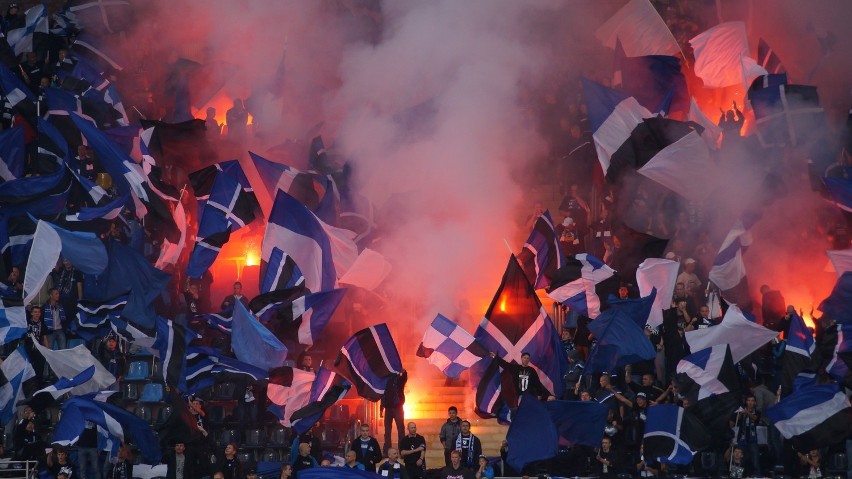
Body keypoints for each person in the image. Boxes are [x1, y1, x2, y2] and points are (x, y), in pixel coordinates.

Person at [488, 351, 555, 404]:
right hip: (518, 395)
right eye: (524, 357)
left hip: (529, 395)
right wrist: (495, 357)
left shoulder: (532, 370)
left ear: (529, 360)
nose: (526, 359)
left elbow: (537, 383)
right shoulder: (515, 368)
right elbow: (505, 364)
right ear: (521, 358)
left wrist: (539, 394)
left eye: (527, 358)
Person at [382, 369, 407, 454]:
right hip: (388, 408)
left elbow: (404, 378)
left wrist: (404, 372)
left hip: (398, 407)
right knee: (387, 430)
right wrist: (381, 408)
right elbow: (383, 394)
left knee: (400, 429)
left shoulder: (399, 380)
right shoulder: (385, 381)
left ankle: (402, 450)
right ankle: (387, 450)